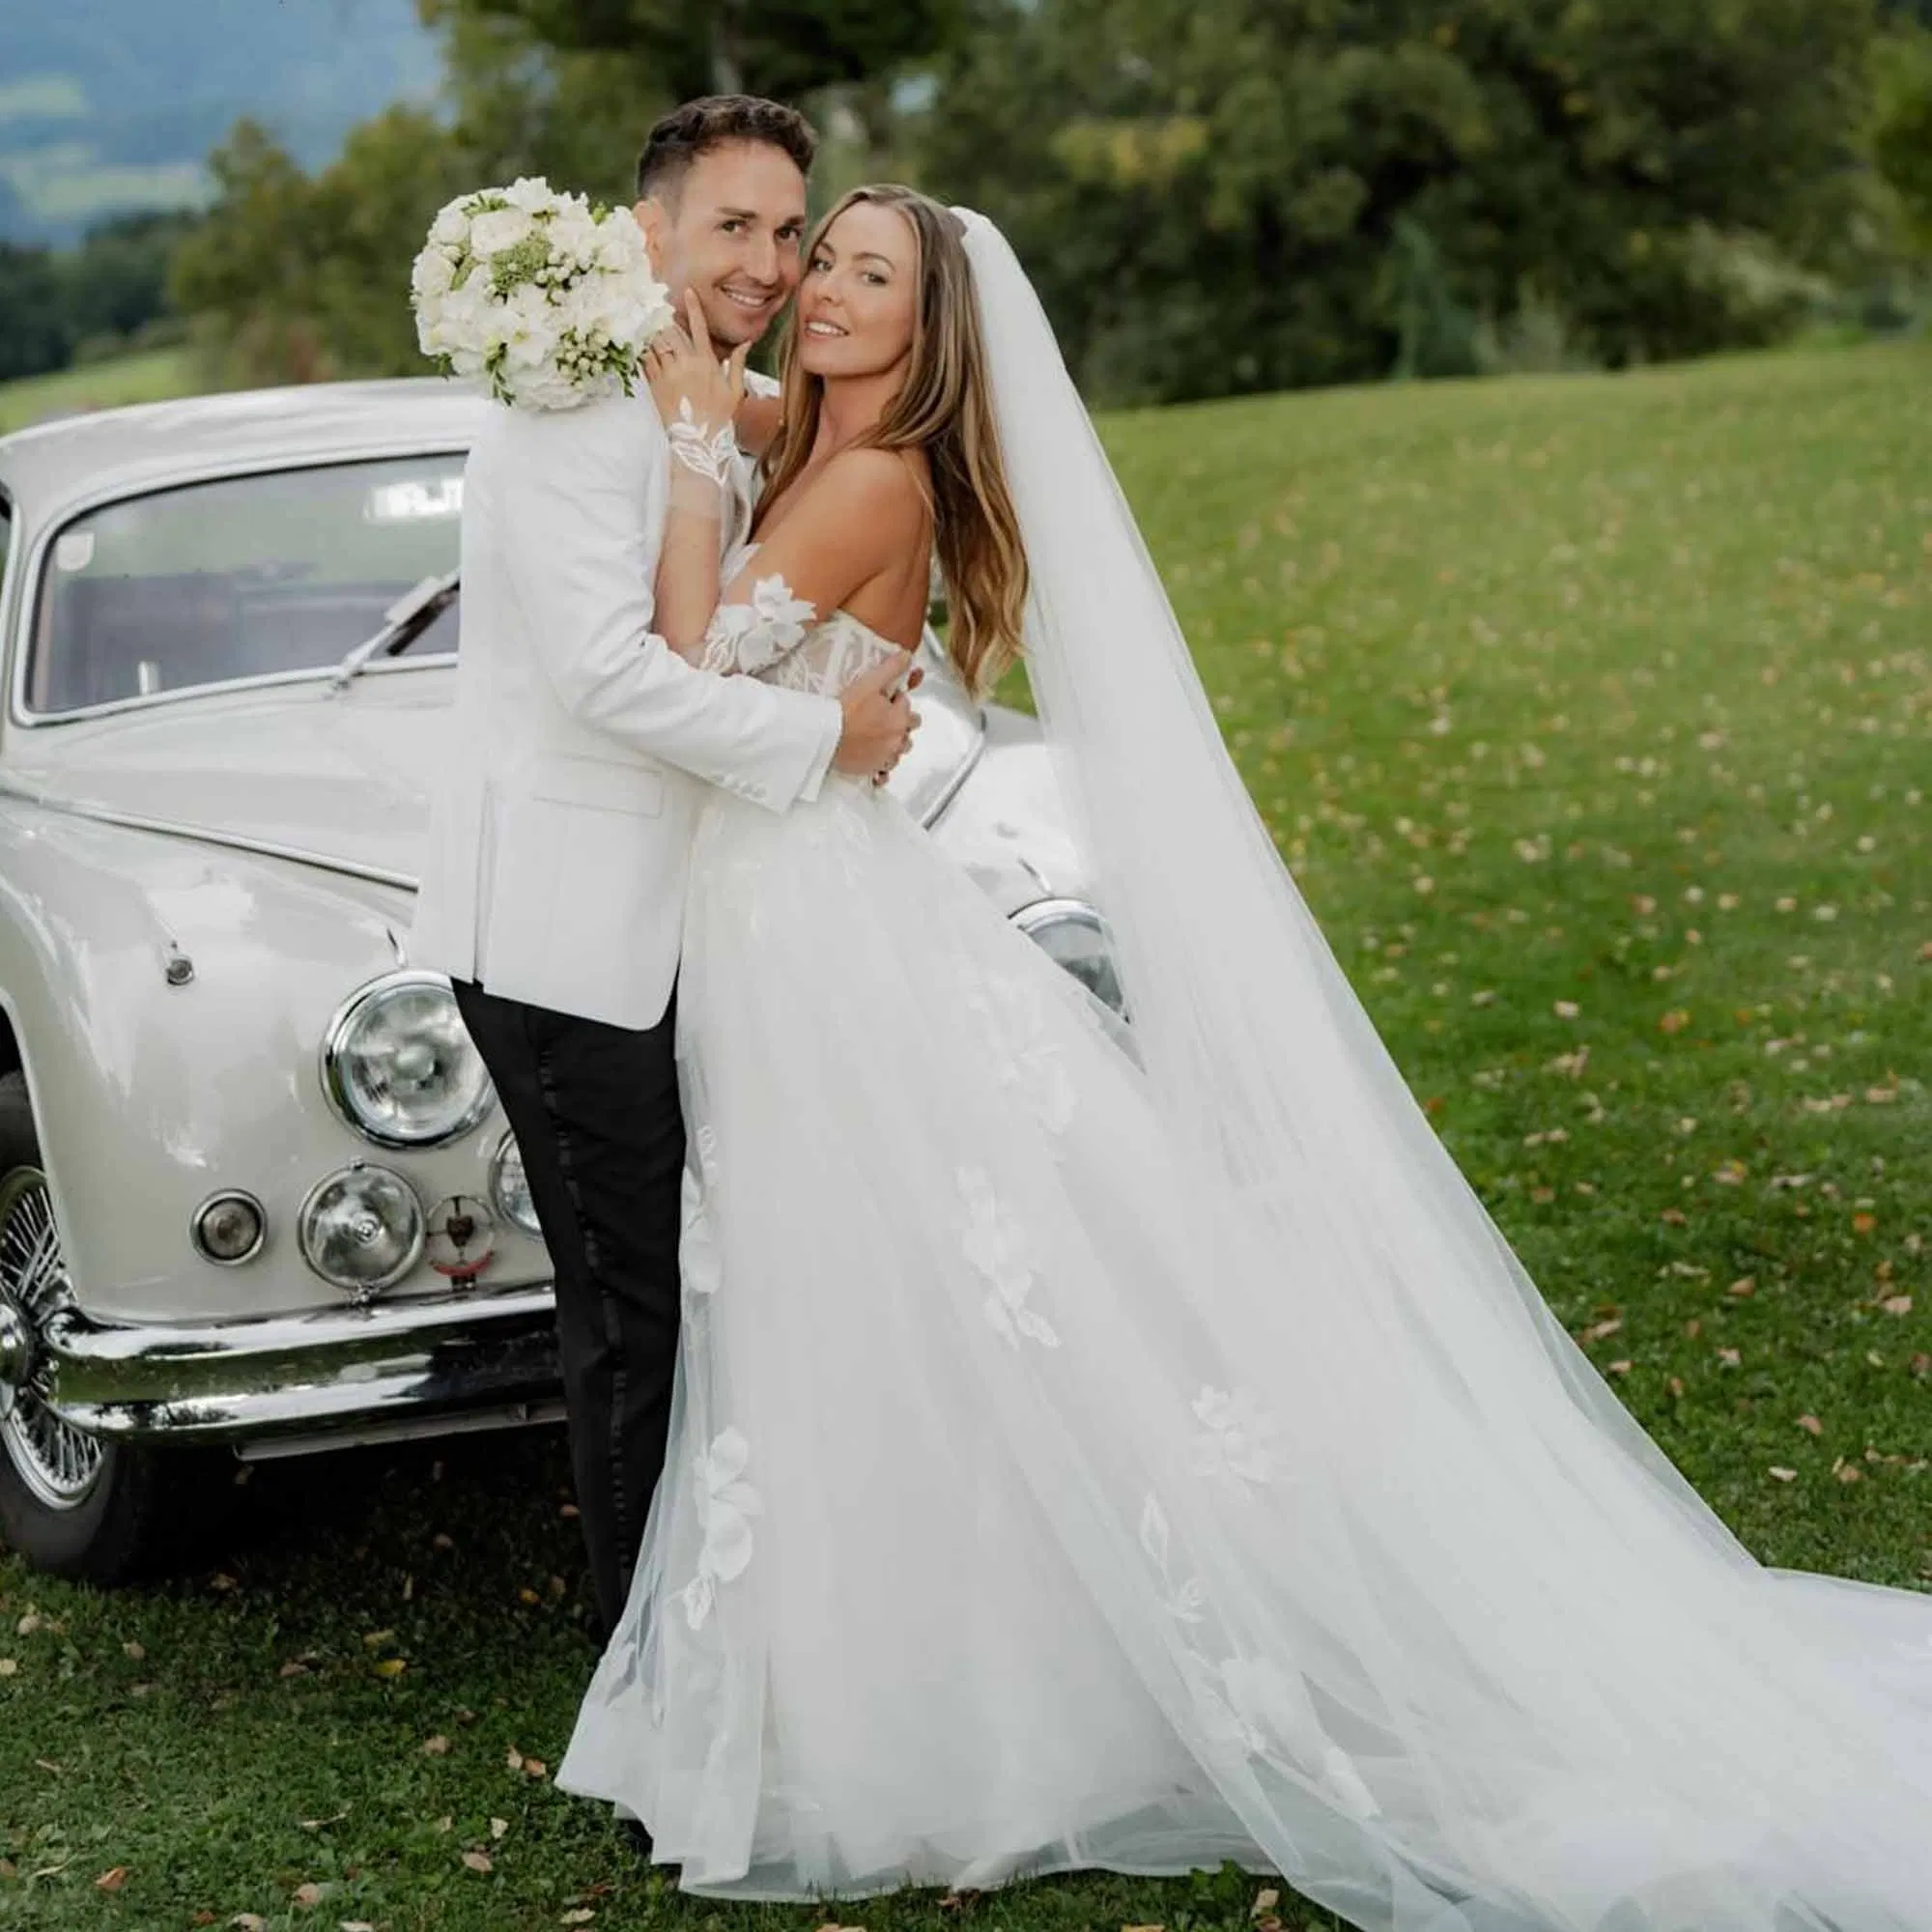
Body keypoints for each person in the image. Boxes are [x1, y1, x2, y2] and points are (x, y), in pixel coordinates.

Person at [557, 187, 1932, 1930]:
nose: (821, 290)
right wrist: (676, 373)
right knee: (889, 1303)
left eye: (868, 278)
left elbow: (683, 663)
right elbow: (722, 420)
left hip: (815, 929)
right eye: (821, 259)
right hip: (796, 918)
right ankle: (941, 1676)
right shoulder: (815, 448)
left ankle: (937, 1710)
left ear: (935, 330)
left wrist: (688, 461)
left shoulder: (869, 480)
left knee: (885, 1291)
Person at [409, 99, 921, 1674]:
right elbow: (613, 677)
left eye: (793, 232)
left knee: (686, 1284)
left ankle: (715, 1632)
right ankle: (650, 1673)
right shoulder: (577, 407)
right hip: (563, 929)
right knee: (635, 1311)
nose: (771, 265)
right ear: (649, 233)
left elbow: (779, 419)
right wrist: (821, 731)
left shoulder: (676, 371)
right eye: (737, 230)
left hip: (670, 911)